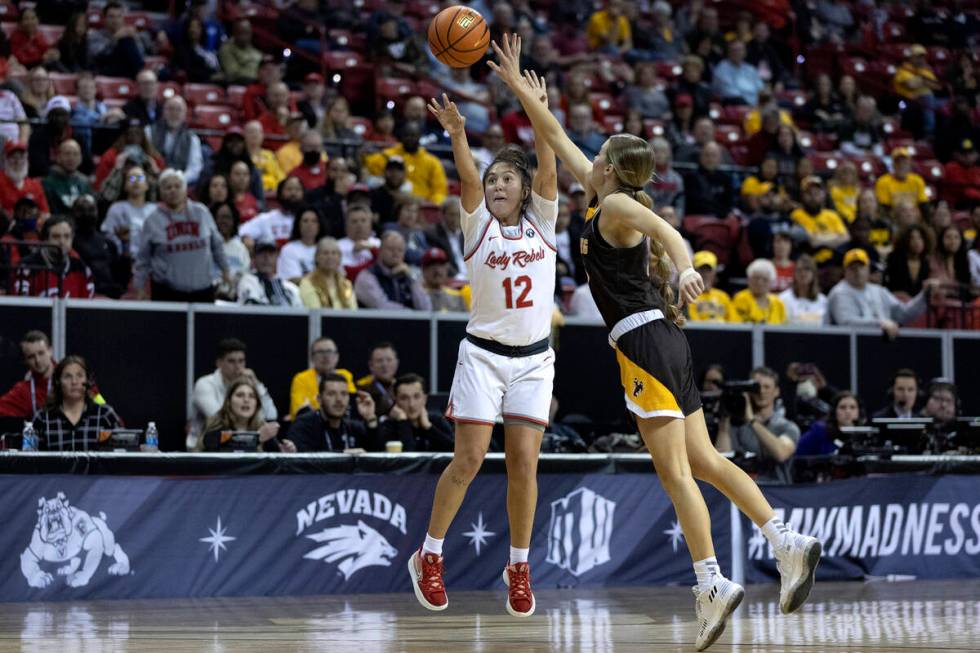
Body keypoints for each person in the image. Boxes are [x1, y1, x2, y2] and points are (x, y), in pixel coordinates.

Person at [488, 34, 820, 648]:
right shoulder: (604, 194)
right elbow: (557, 137)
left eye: (601, 153)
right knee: (705, 462)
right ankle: (786, 541)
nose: (591, 156)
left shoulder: (617, 205)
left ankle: (711, 582)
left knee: (676, 474)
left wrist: (688, 265)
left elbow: (671, 232)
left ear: (610, 166)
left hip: (644, 344)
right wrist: (521, 91)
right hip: (663, 341)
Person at [406, 79, 560, 619]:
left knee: (524, 467)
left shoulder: (543, 224)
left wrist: (536, 109)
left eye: (505, 179)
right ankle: (429, 554)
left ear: (524, 189)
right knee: (469, 459)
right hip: (484, 356)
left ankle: (518, 565)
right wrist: (457, 135)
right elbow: (467, 178)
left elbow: (548, 164)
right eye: (492, 179)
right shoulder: (477, 228)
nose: (495, 185)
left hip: (534, 361)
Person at [134, 169, 229, 302]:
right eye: (168, 187)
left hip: (203, 290)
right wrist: (139, 287)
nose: (173, 190)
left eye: (177, 186)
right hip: (166, 292)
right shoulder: (152, 221)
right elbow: (143, 259)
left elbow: (217, 244)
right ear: (161, 192)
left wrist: (226, 270)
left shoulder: (201, 212)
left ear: (185, 190)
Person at [826, 248, 938, 339]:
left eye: (861, 267)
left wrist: (924, 295)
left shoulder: (879, 291)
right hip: (851, 350)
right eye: (852, 268)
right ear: (844, 271)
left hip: (880, 348)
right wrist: (880, 324)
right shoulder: (839, 292)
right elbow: (847, 323)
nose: (858, 272)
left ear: (868, 269)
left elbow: (904, 314)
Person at [715, 367, 800, 484]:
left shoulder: (788, 427)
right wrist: (724, 422)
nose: (761, 391)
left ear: (776, 391)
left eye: (767, 387)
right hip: (744, 489)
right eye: (756, 387)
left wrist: (752, 420)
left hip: (778, 493)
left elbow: (781, 453)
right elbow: (722, 459)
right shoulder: (738, 425)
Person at [191, 338, 277, 451]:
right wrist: (256, 437)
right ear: (219, 363)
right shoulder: (205, 384)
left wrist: (256, 384)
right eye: (231, 361)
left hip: (247, 448)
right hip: (210, 447)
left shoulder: (249, 384)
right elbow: (221, 418)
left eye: (241, 361)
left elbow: (271, 415)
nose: (238, 367)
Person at [29, 356, 120, 452]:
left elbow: (123, 453)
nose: (74, 382)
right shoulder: (43, 418)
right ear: (58, 381)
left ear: (88, 381)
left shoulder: (105, 415)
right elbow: (31, 459)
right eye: (67, 376)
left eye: (80, 376)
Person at [282, 373, 381, 452]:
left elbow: (377, 454)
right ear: (319, 399)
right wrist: (344, 456)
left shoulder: (352, 427)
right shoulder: (303, 425)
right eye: (331, 394)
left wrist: (370, 418)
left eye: (344, 394)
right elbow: (305, 462)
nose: (339, 399)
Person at [363, 121, 448, 205]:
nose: (410, 138)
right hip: (393, 203)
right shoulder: (388, 155)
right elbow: (367, 164)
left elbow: (440, 192)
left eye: (413, 135)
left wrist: (430, 206)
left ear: (419, 136)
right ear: (401, 136)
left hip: (421, 205)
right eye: (406, 135)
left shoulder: (433, 162)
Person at [16, 216, 95, 299]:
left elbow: (87, 307)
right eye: (56, 237)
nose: (62, 242)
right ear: (45, 239)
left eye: (67, 236)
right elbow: (20, 305)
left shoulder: (81, 268)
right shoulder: (27, 267)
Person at [70, 195, 130, 298]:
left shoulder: (108, 243)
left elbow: (121, 278)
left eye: (91, 209)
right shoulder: (70, 242)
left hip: (109, 295)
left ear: (97, 212)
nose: (87, 214)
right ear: (74, 213)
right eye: (81, 210)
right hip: (84, 295)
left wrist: (125, 244)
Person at [199, 379, 284, 452]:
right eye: (240, 395)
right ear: (228, 402)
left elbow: (276, 466)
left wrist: (286, 454)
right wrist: (255, 439)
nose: (246, 400)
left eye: (252, 396)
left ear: (257, 404)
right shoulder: (215, 429)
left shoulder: (263, 430)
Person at [354, 231, 431, 311]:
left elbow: (426, 308)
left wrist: (412, 280)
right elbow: (381, 306)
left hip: (408, 322)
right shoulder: (367, 276)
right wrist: (412, 314)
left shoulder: (407, 277)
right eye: (391, 249)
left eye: (400, 250)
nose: (395, 253)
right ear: (380, 251)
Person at [381, 374, 454, 452]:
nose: (411, 404)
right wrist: (403, 422)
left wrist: (428, 427)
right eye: (404, 398)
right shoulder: (388, 427)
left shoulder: (438, 421)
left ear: (424, 399)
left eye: (416, 396)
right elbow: (407, 458)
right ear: (396, 401)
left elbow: (455, 452)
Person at [289, 338, 355, 419]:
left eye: (329, 352)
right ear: (312, 357)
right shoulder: (301, 378)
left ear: (337, 356)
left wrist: (316, 407)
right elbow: (300, 411)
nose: (325, 356)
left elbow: (349, 408)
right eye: (320, 352)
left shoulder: (345, 375)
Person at [101, 165, 155, 258]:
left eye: (140, 178)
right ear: (125, 185)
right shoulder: (116, 208)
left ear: (147, 185)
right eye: (132, 178)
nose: (136, 181)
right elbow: (109, 235)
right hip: (125, 260)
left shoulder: (155, 209)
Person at [0, 331, 55, 419]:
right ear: (25, 361)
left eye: (41, 353)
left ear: (50, 351)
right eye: (31, 357)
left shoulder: (70, 378)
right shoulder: (23, 390)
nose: (38, 360)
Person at [150, 97, 203, 187]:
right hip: (153, 180)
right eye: (170, 109)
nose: (174, 113)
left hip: (180, 183)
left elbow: (195, 168)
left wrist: (178, 179)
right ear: (164, 112)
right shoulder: (149, 132)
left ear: (184, 114)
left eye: (178, 110)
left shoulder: (192, 138)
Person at [237, 239, 302, 307]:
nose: (266, 258)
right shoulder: (248, 280)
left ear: (277, 257)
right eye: (262, 253)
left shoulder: (290, 287)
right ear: (254, 258)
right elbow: (252, 309)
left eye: (271, 253)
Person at [299, 236, 358, 310]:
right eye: (325, 253)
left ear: (339, 258)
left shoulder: (346, 284)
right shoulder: (308, 283)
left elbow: (354, 313)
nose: (330, 257)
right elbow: (315, 311)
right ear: (316, 257)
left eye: (334, 253)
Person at [797, 391, 862, 456]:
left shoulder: (865, 435)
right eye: (842, 407)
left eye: (853, 407)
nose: (848, 411)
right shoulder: (819, 432)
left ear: (859, 411)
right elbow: (797, 455)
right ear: (834, 411)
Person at [42, 139, 94, 216]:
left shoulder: (85, 182)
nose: (71, 158)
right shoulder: (47, 183)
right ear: (58, 157)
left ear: (80, 158)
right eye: (67, 154)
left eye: (75, 154)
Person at [211, 201, 250, 301]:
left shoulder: (241, 249)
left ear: (234, 221)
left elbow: (245, 276)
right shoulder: (205, 247)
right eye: (220, 217)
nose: (223, 221)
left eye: (227, 217)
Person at [0, 141, 50, 216]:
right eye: (13, 157)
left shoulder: (35, 185)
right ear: (6, 160)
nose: (18, 162)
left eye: (21, 157)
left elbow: (45, 213)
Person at [731, 259, 787, 324]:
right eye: (756, 278)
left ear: (771, 282)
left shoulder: (778, 303)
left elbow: (783, 327)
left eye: (765, 279)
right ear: (749, 279)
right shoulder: (740, 299)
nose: (760, 283)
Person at [277, 207, 326, 283]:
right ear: (298, 225)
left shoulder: (326, 249)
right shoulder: (289, 249)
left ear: (319, 226)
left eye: (314, 221)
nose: (309, 224)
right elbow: (294, 280)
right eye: (305, 221)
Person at [778, 255, 827, 325]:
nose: (803, 273)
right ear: (794, 274)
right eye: (799, 270)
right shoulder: (782, 299)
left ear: (813, 273)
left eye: (807, 269)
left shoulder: (823, 301)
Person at [687, 250, 733, 322]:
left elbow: (735, 323)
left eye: (708, 270)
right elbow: (692, 323)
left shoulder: (723, 297)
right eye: (701, 270)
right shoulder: (688, 295)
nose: (705, 274)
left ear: (714, 273)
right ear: (694, 271)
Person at [356, 342, 400, 418]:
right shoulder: (361, 391)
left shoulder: (404, 389)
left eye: (389, 360)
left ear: (397, 362)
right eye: (379, 360)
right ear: (371, 365)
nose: (384, 365)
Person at [337, 204, 380, 281]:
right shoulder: (337, 246)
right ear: (346, 225)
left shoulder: (379, 244)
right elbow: (345, 274)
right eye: (354, 221)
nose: (359, 225)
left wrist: (373, 249)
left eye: (363, 220)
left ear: (370, 223)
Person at [420, 247, 467, 312]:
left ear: (446, 268)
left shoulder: (457, 298)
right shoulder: (418, 298)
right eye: (431, 265)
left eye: (441, 264)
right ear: (423, 270)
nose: (437, 269)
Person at [219, 19, 262, 84]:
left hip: (258, 82)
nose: (244, 37)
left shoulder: (254, 50)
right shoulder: (226, 49)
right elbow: (233, 72)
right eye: (241, 33)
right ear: (234, 33)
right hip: (240, 83)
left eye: (247, 33)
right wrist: (258, 75)